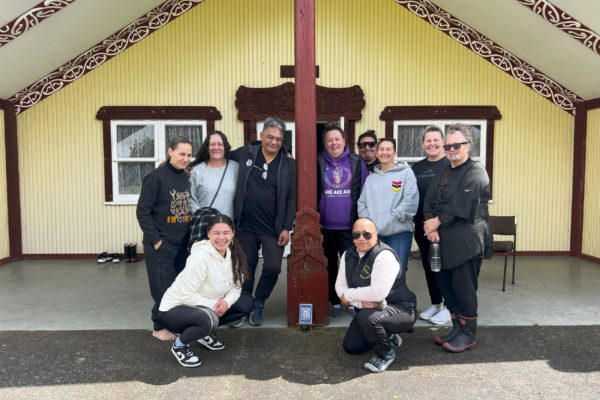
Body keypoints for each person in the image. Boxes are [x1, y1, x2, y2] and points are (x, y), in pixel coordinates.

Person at [423, 124, 492, 353]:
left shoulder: (476, 171)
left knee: (464, 289)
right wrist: (430, 225)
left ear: (468, 146)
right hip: (442, 242)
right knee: (447, 288)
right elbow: (429, 200)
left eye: (456, 145)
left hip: (467, 243)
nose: (452, 149)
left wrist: (437, 222)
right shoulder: (444, 171)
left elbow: (463, 204)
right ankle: (456, 329)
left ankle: (468, 334)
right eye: (448, 145)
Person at [158, 215, 253, 367]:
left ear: (233, 233)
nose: (221, 237)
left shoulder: (234, 254)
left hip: (203, 306)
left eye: (226, 232)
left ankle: (203, 332)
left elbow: (236, 288)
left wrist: (226, 303)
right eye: (216, 233)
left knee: (246, 303)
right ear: (208, 234)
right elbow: (186, 295)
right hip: (174, 309)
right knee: (209, 319)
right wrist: (215, 304)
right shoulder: (200, 257)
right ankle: (180, 345)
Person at [229, 117, 296, 327]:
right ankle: (244, 305)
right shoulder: (245, 153)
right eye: (270, 137)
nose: (274, 142)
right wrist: (192, 166)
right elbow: (217, 157)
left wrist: (287, 227)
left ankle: (259, 302)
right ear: (261, 136)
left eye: (278, 138)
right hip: (245, 226)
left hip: (272, 229)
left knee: (273, 267)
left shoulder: (288, 164)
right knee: (245, 268)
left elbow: (291, 198)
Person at [336, 218, 417, 373]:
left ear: (376, 234)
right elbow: (339, 287)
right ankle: (388, 335)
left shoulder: (384, 256)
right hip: (369, 309)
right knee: (351, 347)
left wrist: (348, 296)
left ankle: (385, 353)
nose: (361, 238)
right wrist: (358, 303)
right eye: (356, 234)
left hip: (401, 308)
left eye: (367, 234)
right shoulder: (348, 255)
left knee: (367, 318)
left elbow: (377, 293)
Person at [136, 136, 193, 341]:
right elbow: (143, 211)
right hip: (161, 244)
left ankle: (174, 323)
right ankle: (159, 327)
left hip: (182, 243)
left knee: (178, 287)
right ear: (170, 152)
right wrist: (156, 240)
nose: (185, 158)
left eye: (188, 154)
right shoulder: (156, 177)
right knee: (162, 288)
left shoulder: (186, 177)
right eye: (181, 154)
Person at [317, 122, 368, 317]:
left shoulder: (356, 162)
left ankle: (354, 301)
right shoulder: (318, 161)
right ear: (325, 143)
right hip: (325, 225)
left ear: (344, 141)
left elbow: (363, 193)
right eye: (329, 140)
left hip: (350, 225)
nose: (334, 143)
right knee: (329, 264)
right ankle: (334, 300)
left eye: (337, 139)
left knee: (353, 265)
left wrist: (361, 222)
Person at [357, 138, 418, 272]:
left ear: (394, 152)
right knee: (377, 274)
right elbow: (362, 204)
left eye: (388, 149)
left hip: (399, 233)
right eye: (381, 149)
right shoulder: (371, 179)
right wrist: (371, 224)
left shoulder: (406, 173)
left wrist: (388, 220)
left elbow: (410, 202)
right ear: (377, 153)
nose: (385, 152)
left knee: (396, 273)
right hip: (376, 235)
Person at [412, 126, 451, 325]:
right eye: (428, 140)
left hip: (444, 225)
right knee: (428, 264)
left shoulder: (451, 165)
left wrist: (437, 223)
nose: (432, 144)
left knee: (444, 265)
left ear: (443, 142)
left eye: (436, 140)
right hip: (421, 225)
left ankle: (449, 307)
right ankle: (436, 303)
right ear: (423, 144)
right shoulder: (416, 168)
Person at [189, 131, 239, 219]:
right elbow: (191, 199)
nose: (216, 147)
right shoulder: (197, 171)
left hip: (228, 228)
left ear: (225, 147)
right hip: (205, 226)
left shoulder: (235, 167)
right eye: (212, 144)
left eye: (220, 144)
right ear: (207, 147)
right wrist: (203, 218)